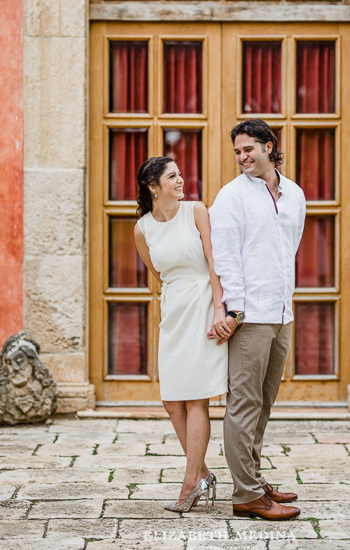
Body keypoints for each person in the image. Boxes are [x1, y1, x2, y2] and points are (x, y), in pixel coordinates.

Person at [209, 118, 306, 520]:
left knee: (264, 403)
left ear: (269, 146)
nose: (242, 157)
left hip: (282, 312)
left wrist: (287, 301)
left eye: (248, 149)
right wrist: (234, 309)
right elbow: (226, 255)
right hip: (249, 316)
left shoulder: (295, 194)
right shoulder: (231, 197)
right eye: (237, 151)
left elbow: (290, 248)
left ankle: (252, 477)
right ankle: (245, 494)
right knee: (244, 404)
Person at [134, 156, 229, 513]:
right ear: (153, 187)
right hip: (173, 309)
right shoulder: (142, 228)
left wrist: (219, 307)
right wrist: (177, 293)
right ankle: (202, 471)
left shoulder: (197, 211)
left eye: (180, 174)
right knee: (171, 398)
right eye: (172, 176)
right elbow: (159, 273)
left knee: (195, 398)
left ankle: (191, 482)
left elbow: (214, 262)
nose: (181, 180)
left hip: (204, 305)